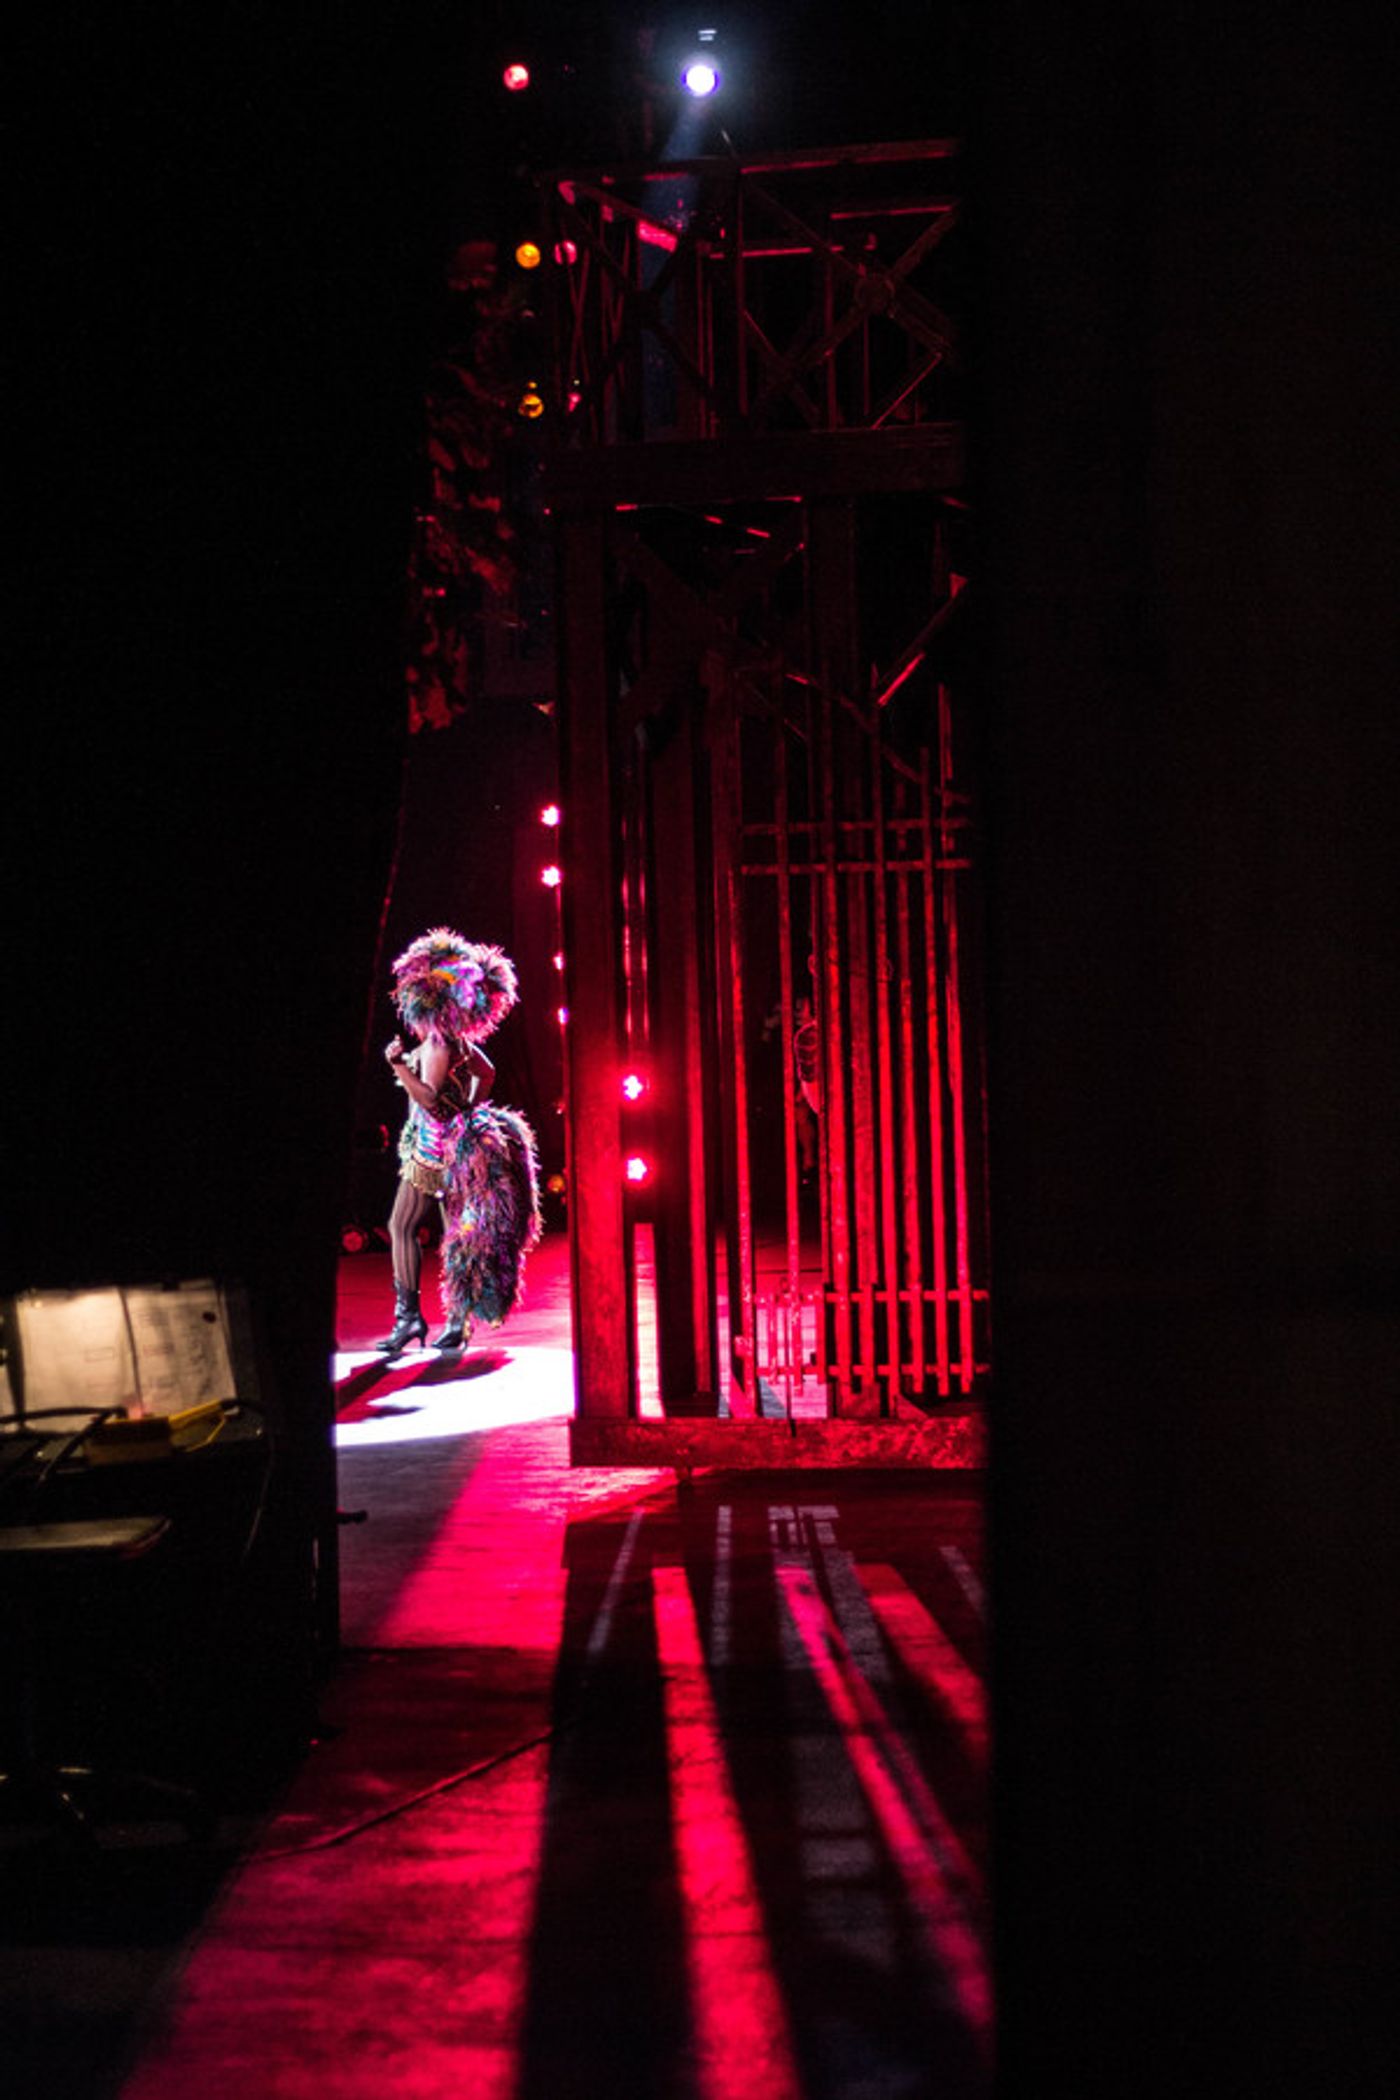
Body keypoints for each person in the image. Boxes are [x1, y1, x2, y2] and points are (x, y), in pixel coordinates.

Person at [377, 927, 541, 1357]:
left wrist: (398, 1065)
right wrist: (468, 1112)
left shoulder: (435, 1043)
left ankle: (408, 1317)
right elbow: (486, 1074)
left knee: (400, 1226)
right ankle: (456, 1323)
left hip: (432, 1152)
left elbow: (429, 1100)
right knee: (454, 1233)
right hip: (459, 1152)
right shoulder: (459, 1042)